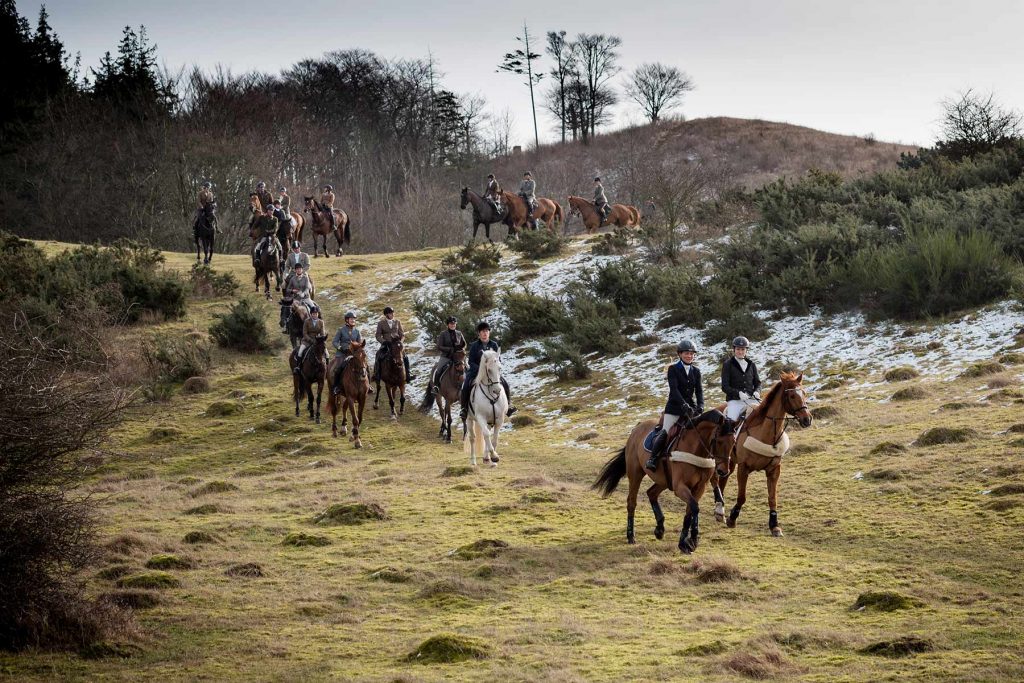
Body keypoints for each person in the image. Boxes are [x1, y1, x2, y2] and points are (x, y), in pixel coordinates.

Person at [645, 340, 704, 471]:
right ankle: (653, 459)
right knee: (665, 431)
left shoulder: (696, 371)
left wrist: (701, 405)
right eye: (686, 353)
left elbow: (699, 390)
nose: (689, 356)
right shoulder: (673, 369)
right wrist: (683, 405)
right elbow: (674, 389)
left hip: (691, 408)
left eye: (691, 354)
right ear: (680, 354)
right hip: (674, 408)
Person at [459, 321, 516, 421]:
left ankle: (509, 406)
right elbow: (471, 361)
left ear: (489, 333)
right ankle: (464, 409)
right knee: (466, 385)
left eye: (486, 331)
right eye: (482, 331)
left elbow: (498, 359)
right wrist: (481, 369)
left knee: (505, 383)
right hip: (476, 372)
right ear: (479, 333)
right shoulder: (474, 346)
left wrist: (495, 367)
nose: (485, 333)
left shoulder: (494, 344)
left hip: (492, 373)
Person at [722, 335, 762, 421]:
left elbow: (758, 383)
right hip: (735, 401)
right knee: (731, 422)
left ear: (746, 350)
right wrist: (738, 393)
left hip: (751, 400)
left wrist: (757, 392)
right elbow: (725, 386)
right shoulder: (727, 364)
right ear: (734, 349)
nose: (740, 352)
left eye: (743, 349)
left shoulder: (751, 364)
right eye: (738, 349)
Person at [374, 306, 415, 382]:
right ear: (386, 314)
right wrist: (383, 342)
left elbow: (402, 334)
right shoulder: (381, 323)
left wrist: (400, 342)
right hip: (386, 344)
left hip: (396, 345)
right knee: (378, 355)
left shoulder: (397, 322)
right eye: (390, 313)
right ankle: (377, 374)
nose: (392, 314)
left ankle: (408, 375)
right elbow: (378, 335)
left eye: (392, 313)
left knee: (405, 357)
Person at [331, 311, 367, 394]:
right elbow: (335, 342)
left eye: (354, 319)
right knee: (338, 368)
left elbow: (359, 343)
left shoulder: (357, 331)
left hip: (353, 354)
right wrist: (340, 348)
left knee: (365, 365)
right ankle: (336, 387)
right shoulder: (341, 330)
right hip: (342, 353)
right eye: (351, 319)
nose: (353, 320)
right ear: (347, 320)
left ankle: (367, 385)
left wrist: (359, 348)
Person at [428, 316, 467, 395]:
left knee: (468, 367)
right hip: (446, 356)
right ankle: (436, 387)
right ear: (448, 325)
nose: (453, 325)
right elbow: (439, 346)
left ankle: (468, 385)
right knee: (439, 369)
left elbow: (464, 344)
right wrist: (450, 349)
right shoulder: (443, 334)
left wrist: (461, 349)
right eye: (451, 324)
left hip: (458, 356)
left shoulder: (459, 333)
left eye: (454, 324)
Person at [294, 307, 325, 373]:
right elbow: (304, 333)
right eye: (313, 314)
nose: (315, 315)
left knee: (327, 354)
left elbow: (322, 333)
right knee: (300, 352)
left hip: (317, 341)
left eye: (316, 313)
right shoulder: (307, 321)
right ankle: (298, 367)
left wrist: (320, 340)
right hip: (307, 341)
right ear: (311, 314)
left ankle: (326, 368)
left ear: (318, 314)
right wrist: (311, 340)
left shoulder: (321, 322)